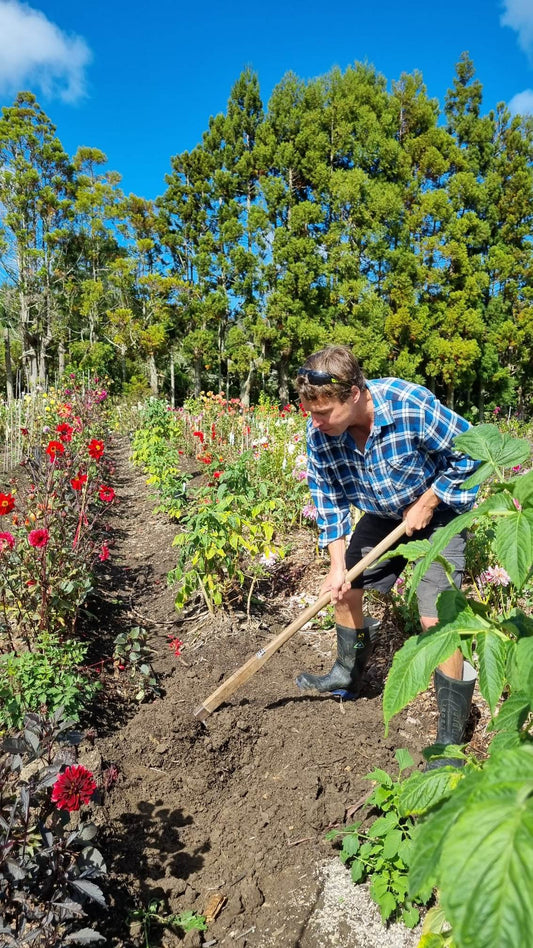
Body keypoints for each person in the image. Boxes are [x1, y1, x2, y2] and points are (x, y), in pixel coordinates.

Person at [294, 346, 479, 768]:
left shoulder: (408, 404)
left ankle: (449, 737)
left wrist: (429, 501)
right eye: (311, 413)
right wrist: (337, 567)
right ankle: (347, 673)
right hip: (383, 515)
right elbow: (328, 499)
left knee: (437, 619)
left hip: (440, 512)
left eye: (323, 413)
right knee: (343, 591)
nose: (315, 422)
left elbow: (471, 450)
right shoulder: (320, 433)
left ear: (354, 394)